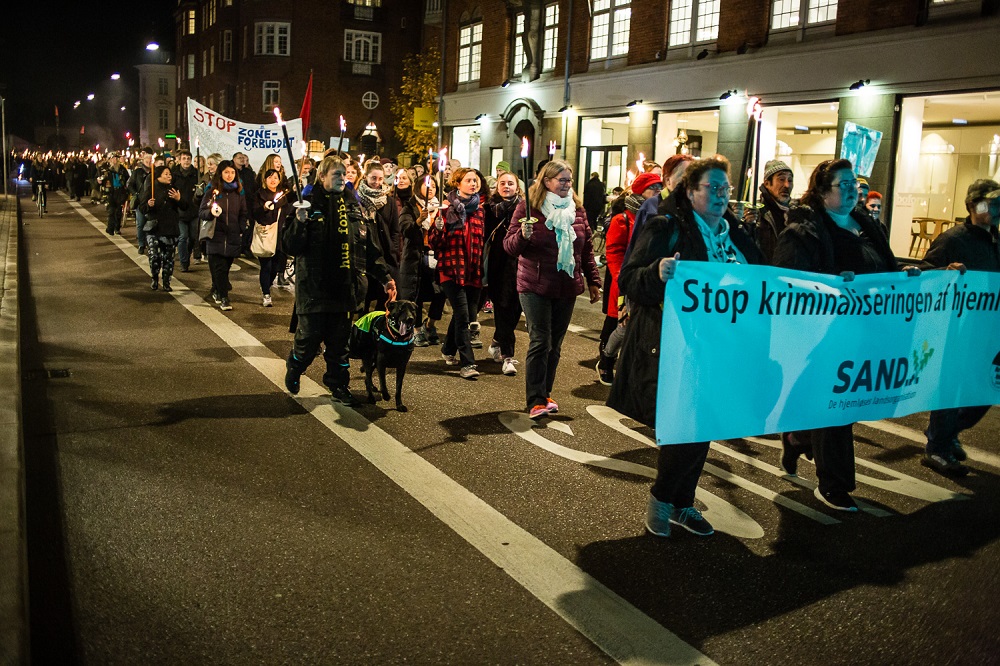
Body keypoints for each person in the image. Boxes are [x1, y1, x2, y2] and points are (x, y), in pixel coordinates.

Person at [609, 157, 764, 538]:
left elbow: (766, 275)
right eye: (710, 188)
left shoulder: (737, 234)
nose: (719, 195)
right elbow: (630, 278)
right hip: (679, 344)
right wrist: (657, 273)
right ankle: (663, 499)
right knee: (685, 424)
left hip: (724, 346)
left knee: (705, 423)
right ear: (690, 192)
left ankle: (683, 503)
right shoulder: (666, 227)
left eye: (724, 188)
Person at [773, 158, 902, 512]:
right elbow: (788, 280)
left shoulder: (867, 225)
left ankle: (800, 436)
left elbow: (885, 268)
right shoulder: (806, 230)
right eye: (842, 185)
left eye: (854, 185)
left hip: (867, 330)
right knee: (837, 405)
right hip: (826, 334)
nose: (851, 191)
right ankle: (834, 485)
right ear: (821, 191)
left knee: (855, 400)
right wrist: (829, 284)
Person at [282, 155, 393, 406]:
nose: (343, 178)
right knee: (308, 340)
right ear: (322, 177)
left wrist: (385, 277)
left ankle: (338, 384)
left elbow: (367, 246)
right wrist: (299, 223)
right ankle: (296, 365)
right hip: (314, 287)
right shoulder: (308, 203)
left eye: (345, 174)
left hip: (346, 287)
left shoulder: (353, 205)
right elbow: (290, 245)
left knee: (339, 344)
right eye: (337, 174)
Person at [504, 160, 601, 418]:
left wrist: (593, 280)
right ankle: (534, 399)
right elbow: (509, 248)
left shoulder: (576, 210)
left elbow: (587, 248)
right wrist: (522, 235)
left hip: (566, 285)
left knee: (555, 345)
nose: (567, 184)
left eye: (569, 180)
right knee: (540, 340)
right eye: (562, 180)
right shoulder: (529, 208)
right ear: (547, 181)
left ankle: (545, 393)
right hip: (534, 284)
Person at [918, 179, 1000, 475]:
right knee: (951, 388)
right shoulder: (953, 240)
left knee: (987, 388)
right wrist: (945, 271)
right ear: (973, 205)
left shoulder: (996, 241)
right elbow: (926, 275)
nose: (995, 208)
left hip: (988, 332)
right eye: (989, 202)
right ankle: (937, 448)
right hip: (957, 330)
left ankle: (948, 432)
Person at [597, 171, 662, 385]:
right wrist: (621, 279)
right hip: (624, 280)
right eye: (653, 188)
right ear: (640, 191)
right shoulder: (622, 218)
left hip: (647, 279)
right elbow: (614, 252)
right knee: (618, 323)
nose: (658, 192)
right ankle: (606, 359)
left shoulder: (658, 214)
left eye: (660, 187)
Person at [428, 168, 486, 379]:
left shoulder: (480, 210)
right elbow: (435, 243)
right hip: (451, 269)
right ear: (457, 183)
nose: (473, 184)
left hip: (473, 271)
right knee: (463, 317)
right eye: (469, 180)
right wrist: (438, 227)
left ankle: (447, 349)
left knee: (464, 314)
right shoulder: (446, 209)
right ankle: (467, 363)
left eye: (476, 181)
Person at [483, 171, 525, 376]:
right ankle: (508, 356)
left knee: (516, 308)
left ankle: (498, 341)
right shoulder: (490, 209)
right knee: (502, 306)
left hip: (519, 263)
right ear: (497, 187)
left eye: (511, 183)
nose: (506, 186)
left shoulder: (525, 210)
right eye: (502, 183)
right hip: (498, 264)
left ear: (517, 187)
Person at [198, 160, 248, 311]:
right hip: (216, 235)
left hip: (232, 235)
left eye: (232, 172)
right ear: (220, 173)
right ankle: (224, 297)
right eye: (226, 172)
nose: (230, 175)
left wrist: (240, 227)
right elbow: (201, 212)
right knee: (218, 268)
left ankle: (216, 289)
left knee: (225, 268)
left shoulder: (239, 192)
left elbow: (243, 212)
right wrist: (211, 212)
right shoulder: (212, 190)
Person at [627, 155, 695, 264]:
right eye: (684, 178)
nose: (690, 184)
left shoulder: (697, 208)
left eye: (695, 178)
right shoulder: (652, 206)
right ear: (668, 180)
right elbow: (635, 248)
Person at [407, 178, 448, 347]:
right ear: (418, 187)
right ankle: (416, 329)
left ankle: (430, 324)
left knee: (441, 291)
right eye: (426, 185)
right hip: (419, 253)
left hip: (437, 252)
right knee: (418, 293)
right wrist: (419, 221)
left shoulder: (442, 206)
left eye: (434, 186)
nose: (431, 188)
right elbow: (405, 230)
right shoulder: (411, 206)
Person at [357, 160, 400, 311]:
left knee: (383, 300)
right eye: (373, 178)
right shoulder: (357, 199)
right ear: (365, 177)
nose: (377, 182)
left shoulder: (389, 201)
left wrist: (393, 251)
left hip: (384, 252)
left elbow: (395, 229)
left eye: (380, 179)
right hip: (365, 252)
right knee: (365, 298)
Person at [251, 168, 296, 307]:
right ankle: (266, 294)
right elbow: (255, 213)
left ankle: (267, 285)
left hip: (280, 235)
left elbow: (291, 206)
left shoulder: (282, 196)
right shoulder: (259, 195)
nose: (273, 180)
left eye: (276, 177)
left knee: (275, 267)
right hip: (266, 234)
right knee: (266, 265)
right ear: (265, 180)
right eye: (270, 177)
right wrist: (264, 208)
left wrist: (295, 189)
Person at [139, 165, 187, 292]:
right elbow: (142, 207)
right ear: (158, 176)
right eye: (166, 174)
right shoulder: (152, 188)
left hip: (170, 228)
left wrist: (178, 199)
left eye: (170, 174)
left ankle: (166, 281)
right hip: (154, 227)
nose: (169, 176)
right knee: (154, 255)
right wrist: (149, 205)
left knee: (168, 258)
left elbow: (185, 206)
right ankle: (154, 277)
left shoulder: (174, 189)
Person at [746, 159, 794, 263]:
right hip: (763, 275)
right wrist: (747, 225)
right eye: (781, 179)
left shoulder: (796, 213)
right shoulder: (756, 213)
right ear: (767, 183)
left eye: (790, 180)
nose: (787, 185)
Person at [171, 150, 201, 272]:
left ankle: (187, 254)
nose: (186, 161)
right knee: (183, 237)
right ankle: (184, 262)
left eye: (188, 158)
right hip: (179, 212)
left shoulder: (197, 174)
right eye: (184, 158)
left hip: (194, 211)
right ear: (180, 160)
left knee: (193, 237)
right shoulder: (174, 175)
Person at [128, 148, 152, 254]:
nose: (148, 161)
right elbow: (130, 184)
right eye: (147, 159)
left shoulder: (154, 171)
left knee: (151, 223)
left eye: (150, 159)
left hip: (151, 201)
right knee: (141, 223)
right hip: (141, 202)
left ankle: (150, 243)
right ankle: (142, 244)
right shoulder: (138, 172)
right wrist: (136, 194)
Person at [100, 154, 130, 235]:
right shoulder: (107, 170)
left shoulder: (122, 169)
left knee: (118, 211)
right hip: (111, 192)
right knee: (111, 211)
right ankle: (110, 228)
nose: (115, 160)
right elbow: (102, 179)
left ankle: (117, 228)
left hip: (120, 192)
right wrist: (100, 181)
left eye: (116, 159)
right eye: (113, 159)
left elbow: (128, 179)